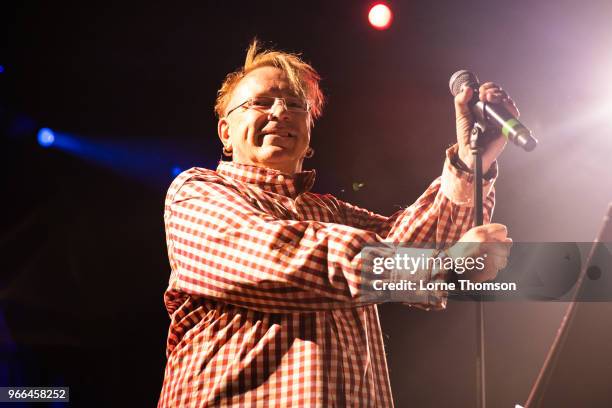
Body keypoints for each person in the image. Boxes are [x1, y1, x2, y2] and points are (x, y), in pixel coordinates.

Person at [158, 40, 515, 407]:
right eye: (261, 102)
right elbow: (285, 258)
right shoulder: (196, 192)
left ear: (309, 136)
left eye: (296, 105)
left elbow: (417, 249)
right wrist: (440, 266)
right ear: (225, 133)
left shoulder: (331, 214)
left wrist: (474, 162)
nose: (281, 111)